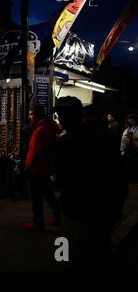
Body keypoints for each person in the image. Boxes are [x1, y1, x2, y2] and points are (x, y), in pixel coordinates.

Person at [53, 97, 127, 270]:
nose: (62, 119)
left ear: (80, 116)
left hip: (90, 210)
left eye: (66, 115)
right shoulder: (66, 141)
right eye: (60, 114)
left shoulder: (97, 140)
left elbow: (116, 176)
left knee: (78, 254)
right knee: (76, 251)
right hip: (78, 209)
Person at [21, 105, 60, 230]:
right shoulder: (47, 127)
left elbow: (37, 151)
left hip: (37, 169)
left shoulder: (42, 129)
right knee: (48, 195)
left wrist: (28, 166)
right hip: (44, 167)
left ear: (38, 114)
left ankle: (38, 222)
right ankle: (58, 216)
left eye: (31, 114)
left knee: (36, 197)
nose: (29, 117)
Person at [120, 113, 138, 185]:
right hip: (128, 148)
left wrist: (131, 138)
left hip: (136, 148)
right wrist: (122, 149)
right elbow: (123, 140)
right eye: (129, 121)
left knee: (136, 164)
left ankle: (136, 179)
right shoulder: (128, 129)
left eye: (132, 121)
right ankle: (130, 179)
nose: (131, 122)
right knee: (129, 164)